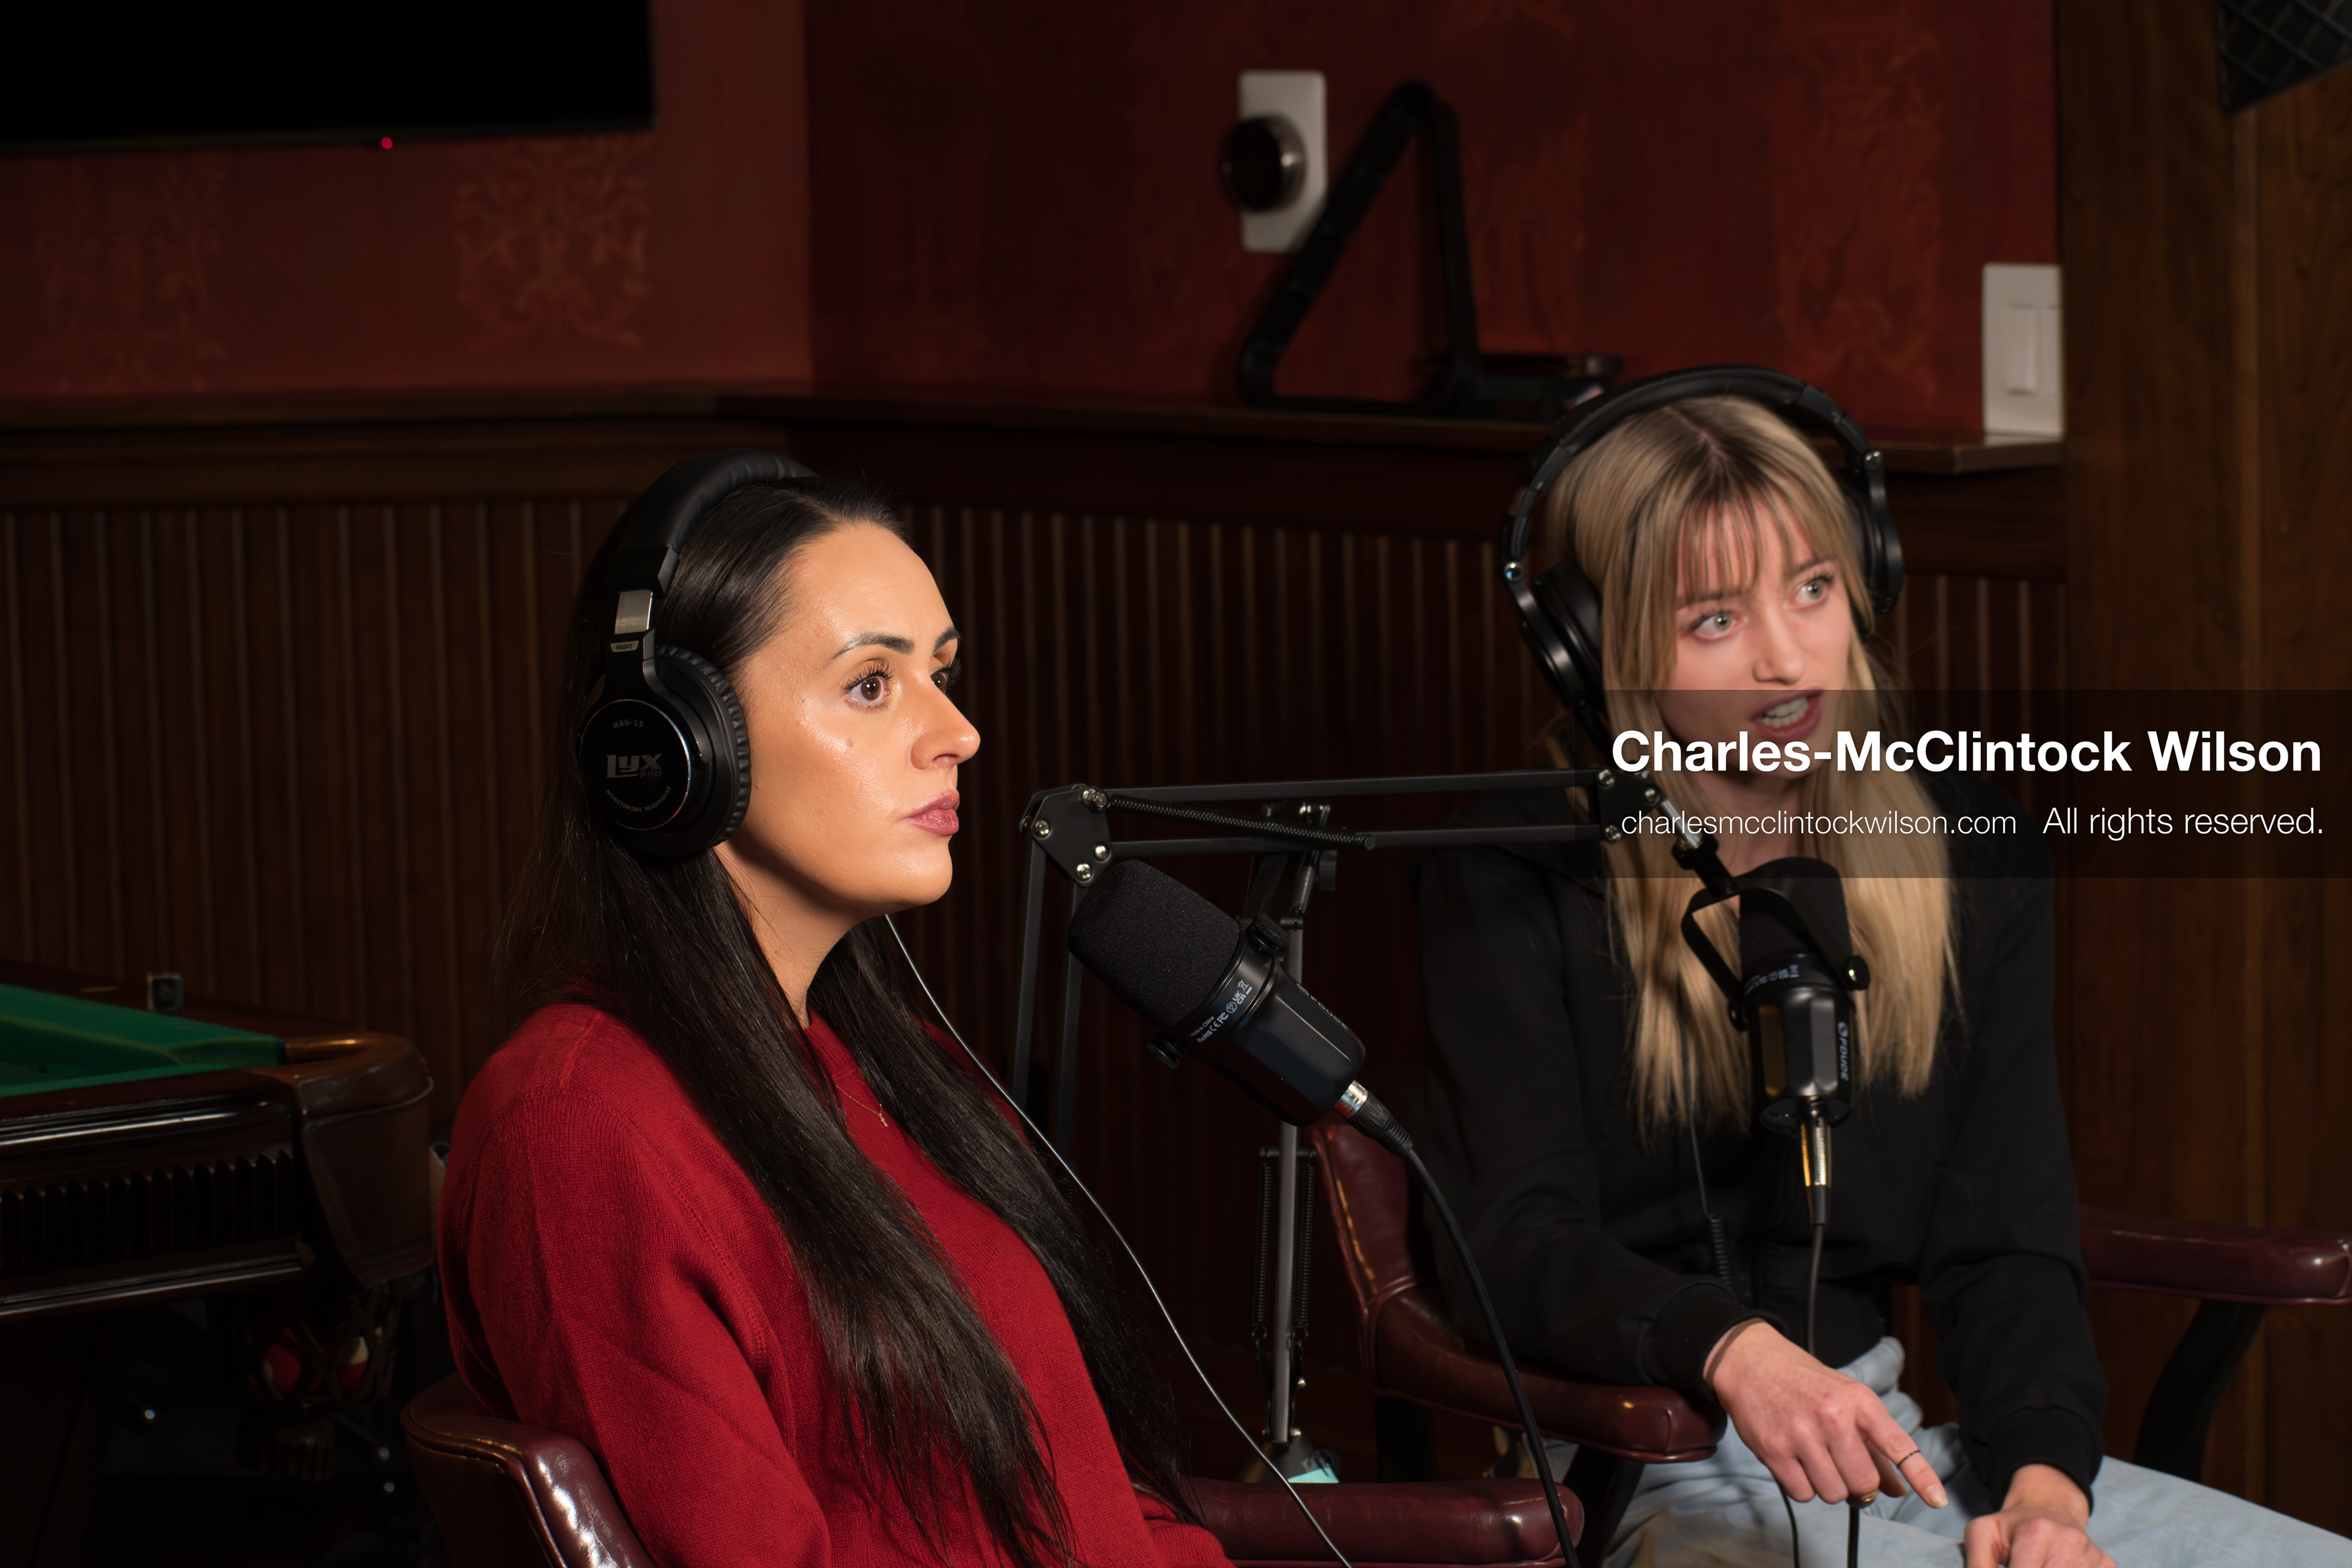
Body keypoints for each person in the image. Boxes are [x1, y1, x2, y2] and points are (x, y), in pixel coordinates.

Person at [1413, 396, 2343, 1567]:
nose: (1788, 656)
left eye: (1813, 587)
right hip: (1632, 1456)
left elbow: (2004, 1231)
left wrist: (2048, 1490)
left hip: (1897, 1444)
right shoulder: (1510, 867)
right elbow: (1510, 1236)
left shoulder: (1966, 848)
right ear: (1595, 643)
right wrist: (1733, 1351)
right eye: (1714, 617)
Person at [439, 475, 1229, 1568]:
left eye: (940, 672)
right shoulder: (579, 1131)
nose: (958, 731)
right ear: (674, 748)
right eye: (870, 684)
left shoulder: (902, 1074)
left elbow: (1086, 1504)